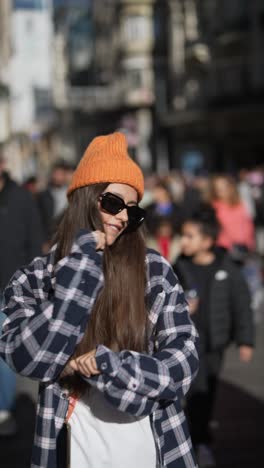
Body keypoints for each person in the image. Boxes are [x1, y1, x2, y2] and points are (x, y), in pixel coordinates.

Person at [0, 132, 199, 468]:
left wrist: (113, 366)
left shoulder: (153, 270)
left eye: (133, 212)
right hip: (73, 444)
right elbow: (25, 358)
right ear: (84, 199)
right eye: (113, 203)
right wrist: (81, 268)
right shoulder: (36, 277)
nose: (123, 217)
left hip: (152, 445)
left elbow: (183, 363)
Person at [173, 203, 254, 468]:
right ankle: (193, 441)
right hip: (185, 344)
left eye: (189, 236)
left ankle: (200, 441)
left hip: (214, 344)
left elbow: (241, 304)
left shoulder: (227, 267)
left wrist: (245, 339)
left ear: (207, 241)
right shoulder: (179, 267)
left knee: (206, 394)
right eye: (182, 235)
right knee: (192, 392)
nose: (183, 241)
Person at [0, 152, 43, 436]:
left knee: (3, 351)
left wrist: (30, 287)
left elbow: (35, 242)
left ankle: (3, 410)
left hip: (10, 288)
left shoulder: (22, 198)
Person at [209, 174, 255, 256]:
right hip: (224, 250)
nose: (221, 190)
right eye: (218, 188)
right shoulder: (213, 207)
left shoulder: (240, 204)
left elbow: (248, 224)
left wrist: (249, 243)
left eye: (224, 186)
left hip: (245, 248)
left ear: (231, 187)